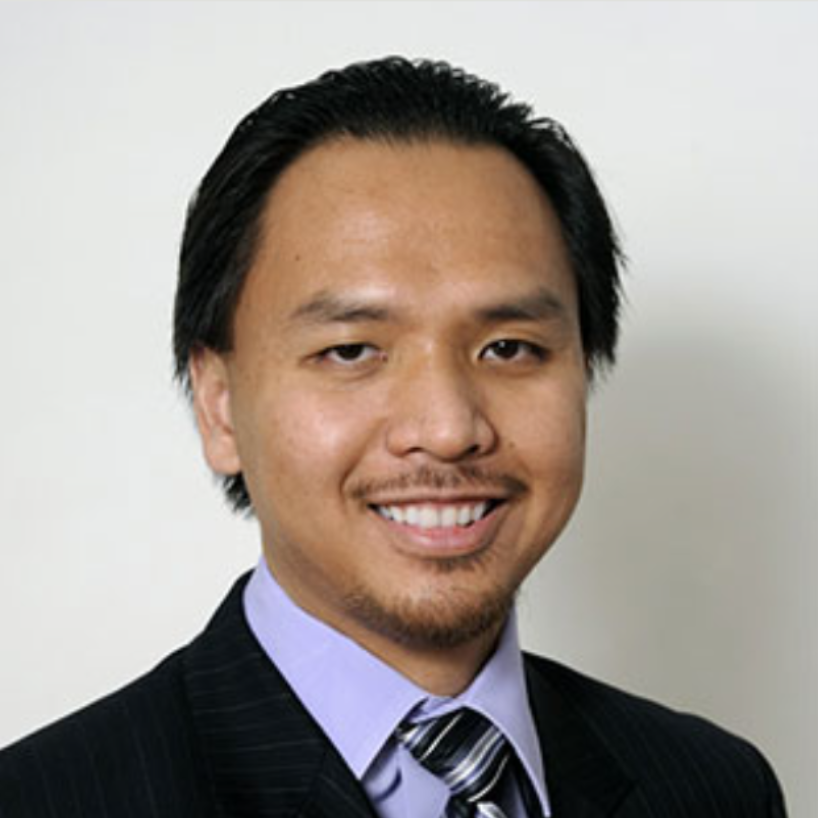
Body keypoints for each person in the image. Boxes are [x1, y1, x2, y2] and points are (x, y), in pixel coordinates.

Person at [0, 56, 786, 818]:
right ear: (219, 407)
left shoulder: (714, 787)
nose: (447, 430)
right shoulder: (45, 798)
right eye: (351, 351)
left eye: (509, 348)